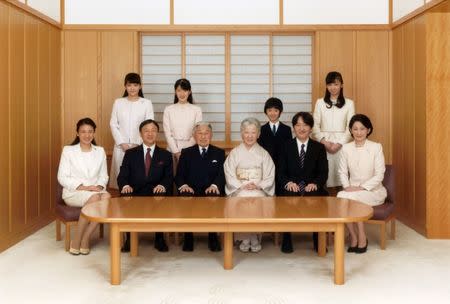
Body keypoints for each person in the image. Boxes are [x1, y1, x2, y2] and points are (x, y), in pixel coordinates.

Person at [117, 119, 173, 252]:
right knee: (126, 194)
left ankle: (159, 238)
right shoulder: (130, 153)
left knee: (161, 194)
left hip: (156, 191)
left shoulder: (165, 155)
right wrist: (125, 186)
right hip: (135, 191)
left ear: (157, 133)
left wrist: (162, 186)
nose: (150, 134)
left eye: (153, 131)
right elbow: (122, 175)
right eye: (146, 131)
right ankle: (129, 238)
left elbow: (169, 177)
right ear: (140, 134)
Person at [57, 118, 110, 255]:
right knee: (95, 198)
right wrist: (85, 188)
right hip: (74, 192)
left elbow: (104, 176)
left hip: (95, 190)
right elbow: (62, 177)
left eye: (90, 132)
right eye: (83, 132)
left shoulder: (100, 151)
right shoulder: (68, 151)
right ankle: (77, 239)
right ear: (77, 133)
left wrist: (98, 186)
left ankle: (86, 237)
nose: (87, 135)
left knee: (107, 197)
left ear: (94, 133)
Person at [277, 112, 328, 253]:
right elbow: (280, 172)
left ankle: (318, 238)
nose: (301, 128)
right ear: (293, 127)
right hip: (292, 186)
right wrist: (288, 183)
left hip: (312, 186)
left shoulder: (319, 148)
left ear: (311, 128)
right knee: (287, 194)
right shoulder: (285, 146)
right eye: (298, 125)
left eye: (305, 125)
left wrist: (316, 183)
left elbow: (323, 172)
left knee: (318, 195)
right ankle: (287, 238)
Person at [224, 117, 275, 253]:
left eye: (253, 132)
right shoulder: (235, 153)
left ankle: (251, 237)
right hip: (239, 189)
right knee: (241, 198)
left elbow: (270, 175)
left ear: (258, 134)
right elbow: (229, 173)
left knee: (257, 199)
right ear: (241, 133)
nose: (250, 136)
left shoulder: (264, 153)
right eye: (246, 132)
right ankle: (249, 237)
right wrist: (240, 186)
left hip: (258, 188)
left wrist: (259, 185)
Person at [337, 114, 387, 254]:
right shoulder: (346, 148)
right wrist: (347, 187)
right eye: (355, 129)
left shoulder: (376, 147)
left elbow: (380, 174)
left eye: (362, 129)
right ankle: (354, 236)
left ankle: (362, 237)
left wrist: (360, 188)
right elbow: (342, 172)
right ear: (351, 131)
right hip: (351, 190)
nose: (359, 132)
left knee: (353, 199)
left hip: (373, 191)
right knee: (340, 196)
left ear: (368, 130)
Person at [175, 121, 226, 252]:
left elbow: (222, 174)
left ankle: (213, 236)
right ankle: (188, 237)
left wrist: (215, 185)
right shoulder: (186, 152)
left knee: (214, 195)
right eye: (200, 133)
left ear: (211, 135)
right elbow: (179, 175)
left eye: (206, 133)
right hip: (191, 189)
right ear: (194, 135)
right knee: (185, 195)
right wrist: (184, 186)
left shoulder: (219, 153)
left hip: (211, 190)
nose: (203, 136)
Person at [109, 72, 154, 189]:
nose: (132, 88)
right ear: (125, 86)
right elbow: (113, 124)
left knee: (137, 180)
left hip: (139, 146)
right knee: (120, 182)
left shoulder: (146, 103)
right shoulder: (118, 102)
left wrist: (138, 143)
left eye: (135, 85)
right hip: (121, 147)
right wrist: (122, 143)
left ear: (140, 86)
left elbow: (149, 126)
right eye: (129, 85)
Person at [312, 71, 355, 190]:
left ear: (341, 85)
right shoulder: (320, 102)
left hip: (342, 144)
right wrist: (324, 142)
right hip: (323, 144)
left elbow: (351, 127)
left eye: (336, 84)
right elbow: (315, 125)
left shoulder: (349, 103)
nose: (333, 87)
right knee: (324, 177)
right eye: (330, 84)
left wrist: (339, 143)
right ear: (326, 86)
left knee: (342, 178)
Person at [163, 78, 202, 167]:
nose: (182, 93)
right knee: (171, 176)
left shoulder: (197, 110)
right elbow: (167, 133)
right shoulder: (168, 109)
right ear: (175, 92)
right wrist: (176, 152)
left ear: (189, 92)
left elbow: (197, 132)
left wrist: (184, 151)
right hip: (172, 148)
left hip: (190, 148)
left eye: (185, 90)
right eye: (179, 90)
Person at [257, 97, 292, 193]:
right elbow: (259, 150)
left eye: (276, 110)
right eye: (269, 110)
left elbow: (289, 149)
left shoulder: (287, 129)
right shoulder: (261, 129)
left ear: (280, 112)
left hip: (283, 166)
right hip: (266, 167)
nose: (272, 113)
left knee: (282, 193)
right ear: (266, 112)